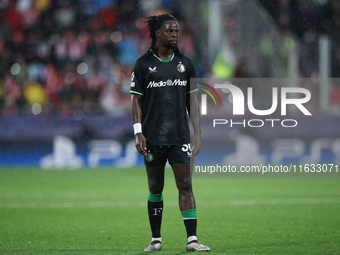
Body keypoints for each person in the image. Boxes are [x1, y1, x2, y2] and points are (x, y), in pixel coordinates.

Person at [130, 14, 210, 252]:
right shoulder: (143, 65)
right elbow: (136, 102)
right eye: (170, 31)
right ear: (157, 33)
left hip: (179, 137)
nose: (175, 35)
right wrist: (138, 132)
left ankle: (192, 239)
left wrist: (197, 132)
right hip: (153, 137)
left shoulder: (186, 64)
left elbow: (192, 100)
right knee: (155, 187)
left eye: (177, 31)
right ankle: (156, 239)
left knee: (185, 184)